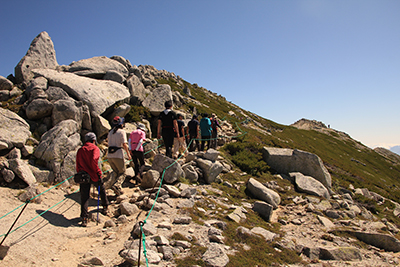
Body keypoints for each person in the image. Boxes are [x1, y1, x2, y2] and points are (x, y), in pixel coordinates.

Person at [76, 132, 108, 227]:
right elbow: (94, 160)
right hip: (94, 174)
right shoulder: (95, 148)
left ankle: (84, 217)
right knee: (101, 189)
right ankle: (105, 206)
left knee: (84, 196)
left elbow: (77, 163)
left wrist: (79, 172)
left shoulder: (80, 150)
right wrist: (98, 171)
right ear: (94, 140)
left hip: (83, 175)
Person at [107, 116, 131, 196]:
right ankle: (116, 186)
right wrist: (128, 154)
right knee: (123, 172)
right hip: (118, 154)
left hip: (110, 155)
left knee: (116, 172)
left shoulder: (110, 132)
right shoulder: (122, 132)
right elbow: (124, 144)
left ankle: (114, 189)